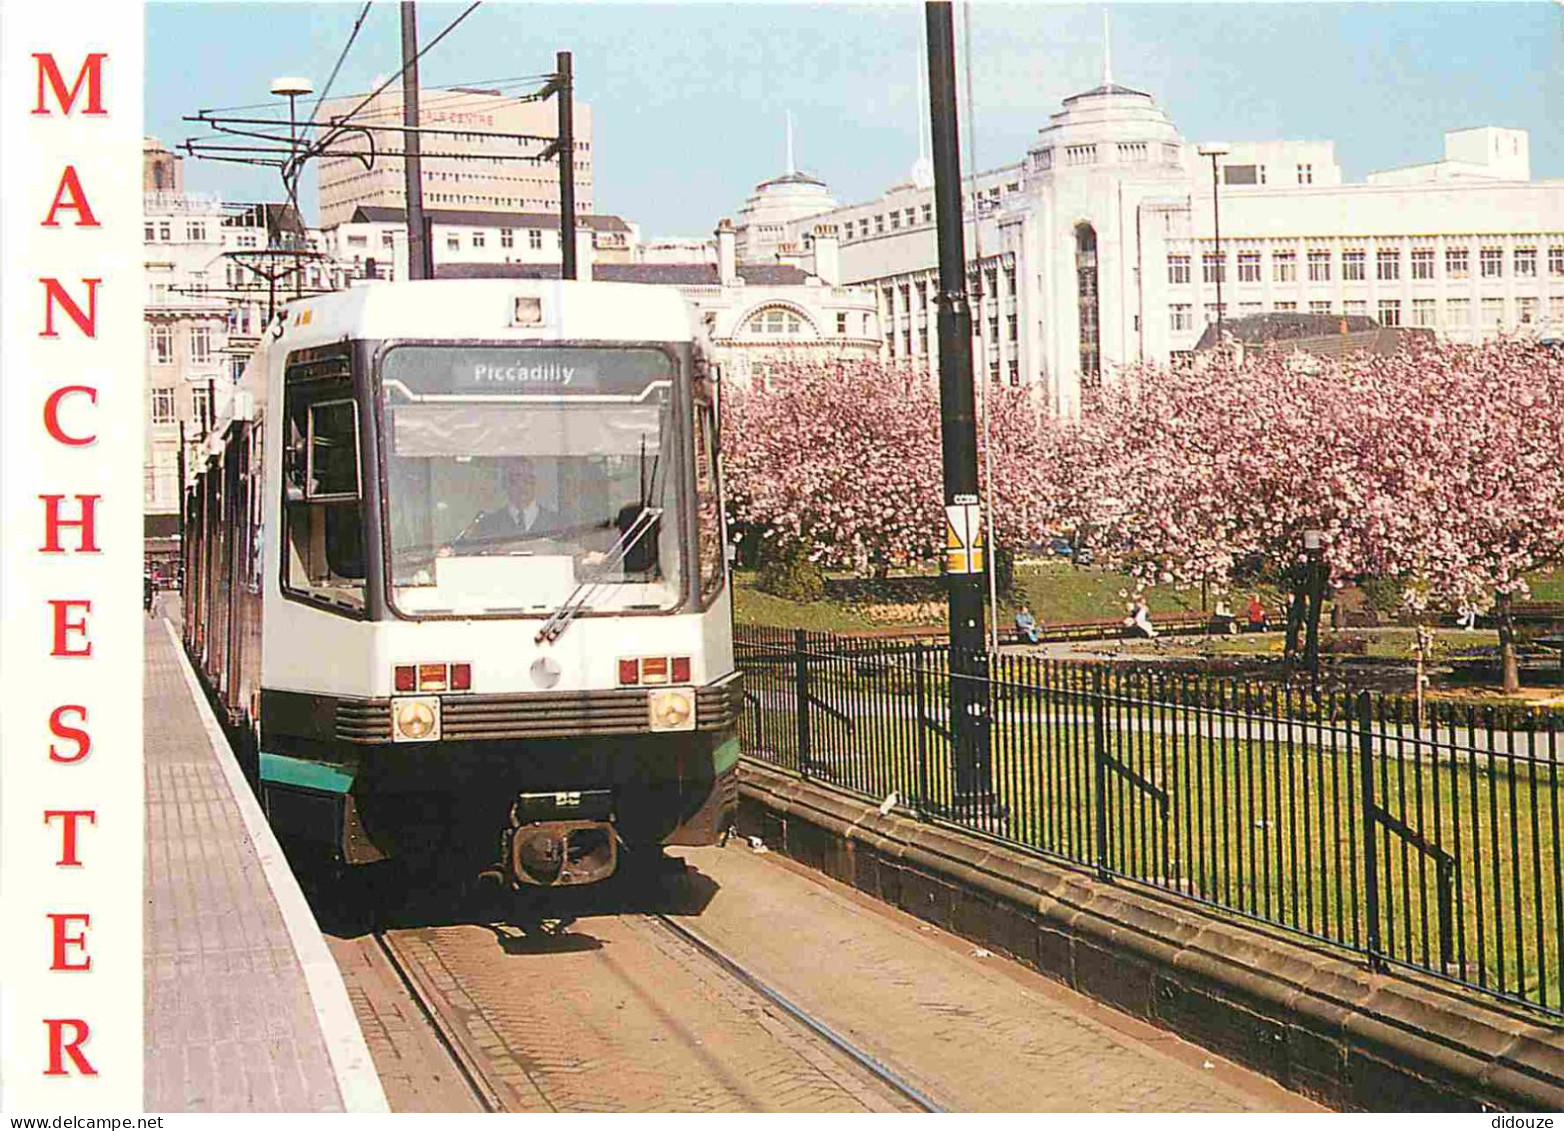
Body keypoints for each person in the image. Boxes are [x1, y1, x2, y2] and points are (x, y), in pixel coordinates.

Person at [453, 458, 563, 554]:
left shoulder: (557, 523)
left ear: (535, 483)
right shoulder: (488, 524)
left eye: (528, 480)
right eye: (516, 479)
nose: (522, 485)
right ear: (506, 483)